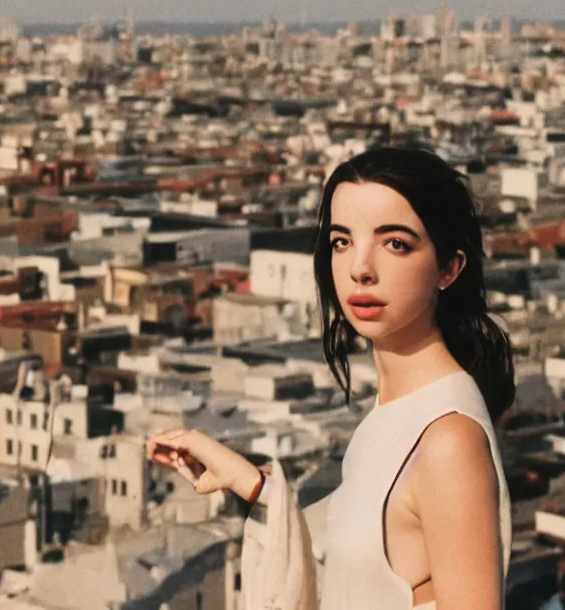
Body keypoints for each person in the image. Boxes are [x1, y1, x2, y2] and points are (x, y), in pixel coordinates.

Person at [147, 145, 514, 609]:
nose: (360, 269)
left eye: (395, 243)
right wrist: (252, 483)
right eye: (342, 241)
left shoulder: (448, 441)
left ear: (449, 268)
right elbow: (354, 546)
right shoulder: (396, 413)